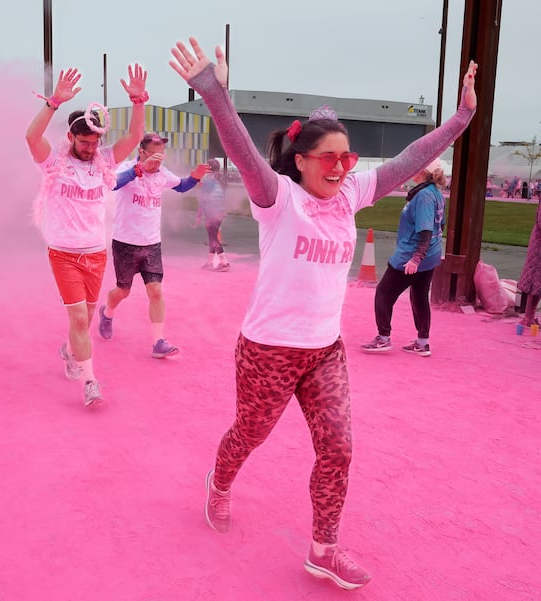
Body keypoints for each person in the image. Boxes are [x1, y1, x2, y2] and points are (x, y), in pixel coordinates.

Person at [169, 36, 477, 590]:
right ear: (303, 159)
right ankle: (219, 482)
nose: (341, 167)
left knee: (338, 448)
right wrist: (214, 92)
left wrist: (461, 118)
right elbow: (240, 152)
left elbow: (411, 159)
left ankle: (323, 549)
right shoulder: (279, 198)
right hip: (268, 350)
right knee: (250, 434)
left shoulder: (351, 194)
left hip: (324, 350)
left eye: (349, 158)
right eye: (330, 157)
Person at [25, 65, 147, 407]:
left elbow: (135, 138)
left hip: (96, 254)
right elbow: (32, 138)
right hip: (63, 253)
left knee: (86, 319)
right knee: (78, 318)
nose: (90, 147)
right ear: (71, 138)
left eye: (94, 142)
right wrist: (53, 103)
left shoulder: (104, 160)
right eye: (84, 142)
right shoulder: (54, 164)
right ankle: (91, 381)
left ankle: (68, 350)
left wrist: (138, 101)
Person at [98, 133, 210, 357]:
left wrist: (195, 178)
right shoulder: (127, 169)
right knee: (123, 291)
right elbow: (112, 184)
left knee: (156, 291)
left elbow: (180, 186)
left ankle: (158, 341)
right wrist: (138, 170)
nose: (159, 160)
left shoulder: (163, 174)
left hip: (152, 244)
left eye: (162, 155)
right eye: (155, 154)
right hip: (125, 243)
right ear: (142, 152)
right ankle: (107, 313)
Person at [361, 159, 447, 357]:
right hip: (429, 255)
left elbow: (426, 230)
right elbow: (440, 225)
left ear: (423, 172)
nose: (412, 171)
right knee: (419, 296)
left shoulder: (424, 196)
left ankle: (383, 338)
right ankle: (422, 342)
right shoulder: (435, 193)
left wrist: (416, 258)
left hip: (411, 256)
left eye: (416, 168)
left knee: (384, 293)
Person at [196, 157, 230, 271]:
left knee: (213, 238)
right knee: (212, 238)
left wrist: (198, 216)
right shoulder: (220, 181)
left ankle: (224, 262)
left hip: (211, 214)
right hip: (219, 213)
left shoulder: (207, 182)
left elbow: (203, 200)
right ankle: (209, 262)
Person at [518, 198, 541, 327]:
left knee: (537, 284)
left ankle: (529, 317)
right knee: (534, 282)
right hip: (539, 247)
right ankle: (528, 317)